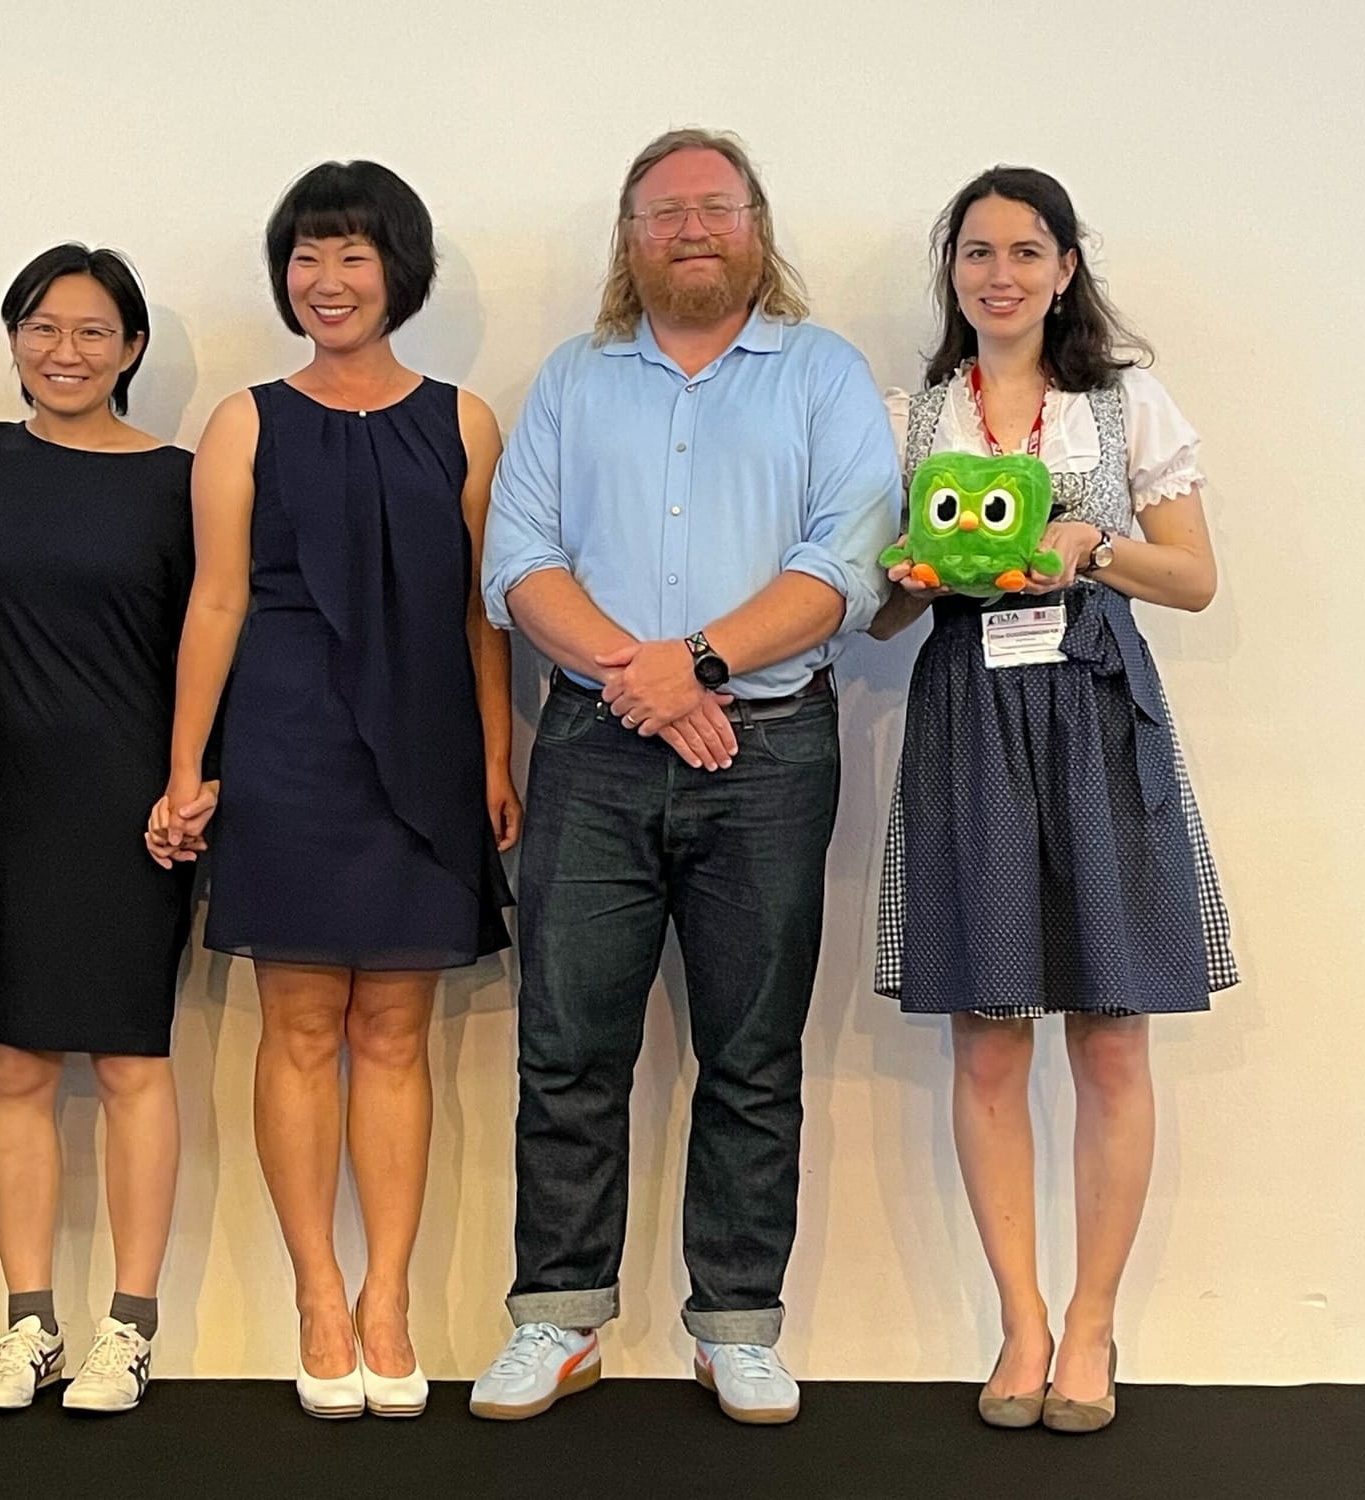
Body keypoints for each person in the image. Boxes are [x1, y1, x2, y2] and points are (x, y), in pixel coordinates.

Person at [471, 128, 899, 1424]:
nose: (690, 229)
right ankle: (557, 1318)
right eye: (664, 214)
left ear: (758, 227)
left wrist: (699, 664)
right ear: (630, 240)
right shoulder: (572, 378)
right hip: (595, 752)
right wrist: (640, 679)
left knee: (753, 1053)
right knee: (568, 1046)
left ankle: (736, 1326)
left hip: (767, 756)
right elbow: (517, 560)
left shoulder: (825, 376)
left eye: (715, 207)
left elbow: (851, 562)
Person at [867, 166, 1236, 1433]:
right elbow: (878, 605)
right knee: (984, 1027)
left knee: (1111, 1029)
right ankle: (1017, 1321)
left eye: (1026, 251)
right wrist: (917, 574)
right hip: (968, 711)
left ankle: (1091, 1322)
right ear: (952, 273)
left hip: (1088, 703)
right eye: (976, 252)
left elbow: (1190, 580)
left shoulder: (1120, 401)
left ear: (1065, 268)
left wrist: (1094, 545)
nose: (1000, 274)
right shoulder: (913, 416)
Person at [149, 160, 520, 1419]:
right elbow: (214, 599)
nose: (327, 280)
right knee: (299, 1029)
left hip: (423, 743)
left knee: (394, 1038)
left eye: (352, 255)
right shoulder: (246, 420)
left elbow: (484, 612)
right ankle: (317, 1291)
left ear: (397, 269)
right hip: (289, 744)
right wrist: (187, 764)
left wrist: (492, 757)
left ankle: (389, 1298)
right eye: (306, 256)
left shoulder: (465, 421)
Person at [0, 245, 195, 1415]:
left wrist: (199, 783)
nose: (65, 351)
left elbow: (221, 641)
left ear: (131, 349)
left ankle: (127, 1328)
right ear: (14, 338)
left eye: (93, 332)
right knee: (18, 1062)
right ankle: (28, 1324)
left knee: (133, 1061)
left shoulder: (183, 482)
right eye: (43, 326)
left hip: (136, 809)